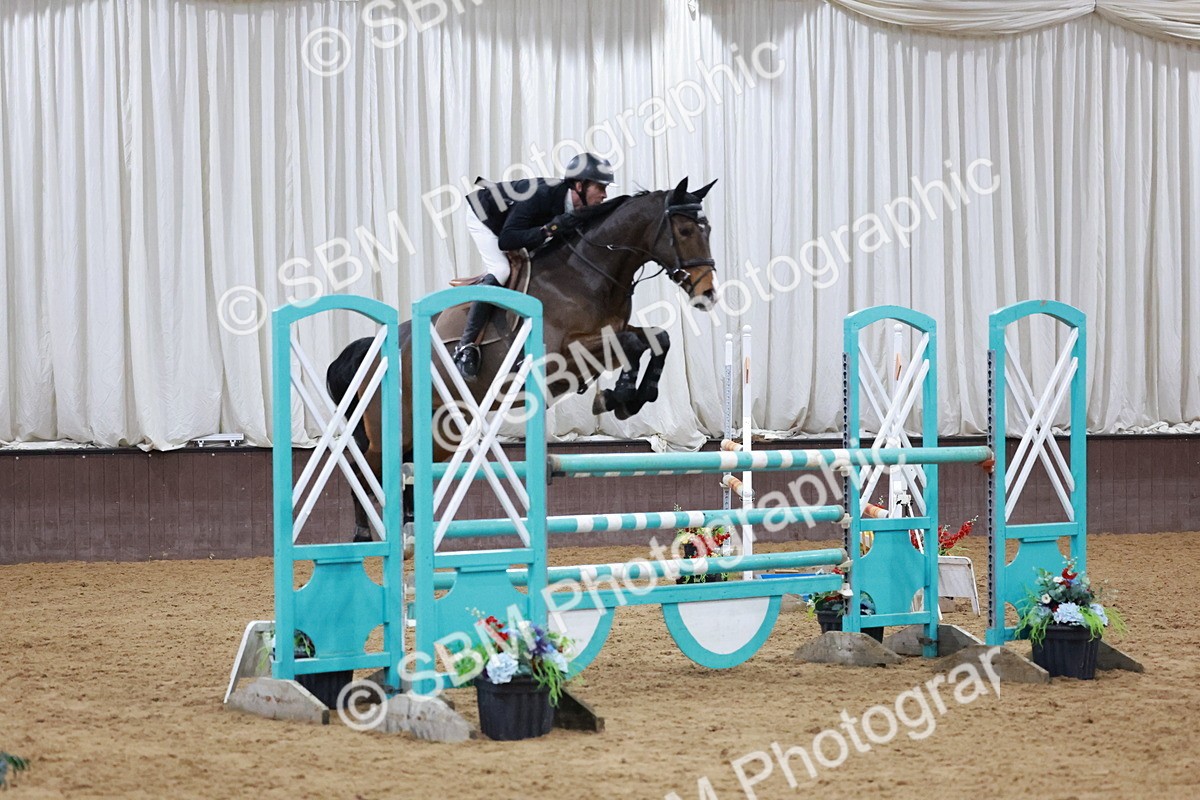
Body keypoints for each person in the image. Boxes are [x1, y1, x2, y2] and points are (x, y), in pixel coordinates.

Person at [454, 152, 615, 380]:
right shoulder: (541, 196)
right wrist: (549, 229)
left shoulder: (580, 208)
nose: (604, 194)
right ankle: (466, 346)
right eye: (600, 187)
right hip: (485, 216)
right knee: (502, 271)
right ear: (580, 185)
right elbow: (507, 239)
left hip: (515, 222)